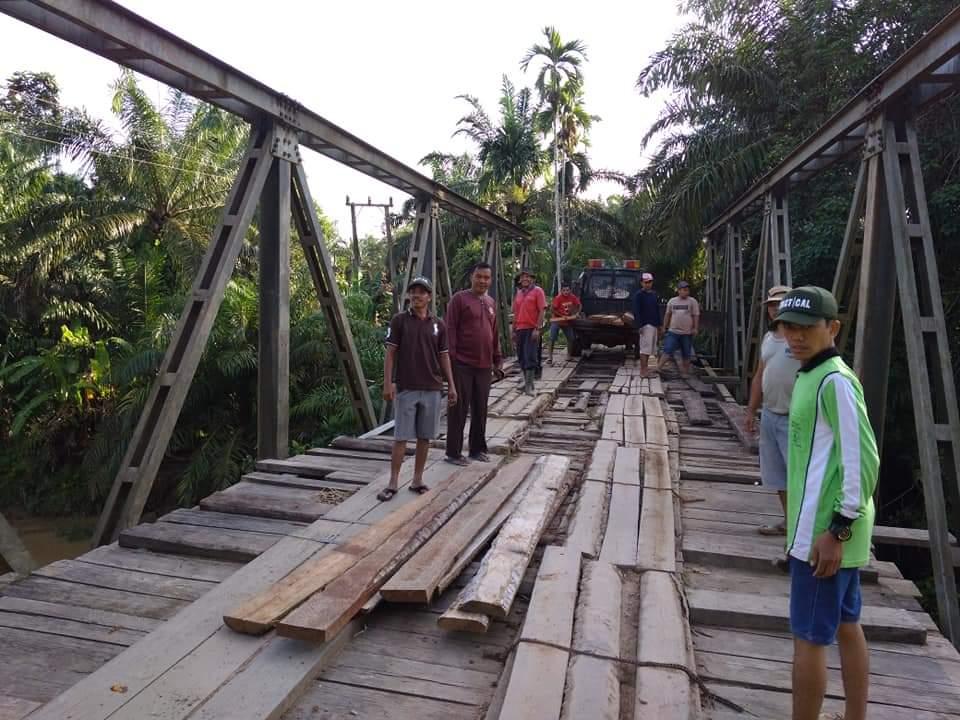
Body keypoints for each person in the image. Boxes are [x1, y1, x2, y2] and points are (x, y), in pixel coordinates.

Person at [775, 286, 878, 720]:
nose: (795, 337)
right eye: (787, 328)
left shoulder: (834, 381)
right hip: (824, 530)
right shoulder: (809, 374)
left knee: (809, 639)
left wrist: (836, 530)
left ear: (832, 327)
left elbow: (863, 462)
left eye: (806, 328)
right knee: (846, 624)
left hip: (824, 535)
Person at [379, 277, 457, 501]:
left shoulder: (438, 324)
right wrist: (388, 383)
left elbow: (444, 356)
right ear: (409, 296)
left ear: (429, 297)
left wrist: (451, 385)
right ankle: (393, 482)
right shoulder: (399, 321)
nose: (417, 296)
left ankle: (417, 479)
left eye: (422, 292)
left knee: (425, 436)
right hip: (407, 387)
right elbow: (391, 353)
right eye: (413, 292)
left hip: (432, 387)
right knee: (401, 436)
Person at [745, 285, 800, 535]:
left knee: (799, 476)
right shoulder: (769, 338)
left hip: (796, 417)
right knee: (778, 475)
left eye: (781, 303)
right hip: (769, 413)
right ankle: (789, 522)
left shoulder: (802, 336)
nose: (775, 308)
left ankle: (803, 529)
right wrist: (750, 411)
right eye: (771, 304)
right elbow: (759, 375)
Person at [445, 262, 503, 465]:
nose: (483, 281)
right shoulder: (459, 299)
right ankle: (453, 452)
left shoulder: (490, 302)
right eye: (479, 276)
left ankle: (477, 449)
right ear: (472, 277)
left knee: (480, 408)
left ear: (490, 280)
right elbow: (450, 330)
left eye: (486, 278)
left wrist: (497, 359)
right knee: (458, 408)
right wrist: (450, 361)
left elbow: (494, 333)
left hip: (484, 365)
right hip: (462, 363)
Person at [512, 268, 547, 395]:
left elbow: (542, 311)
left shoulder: (538, 291)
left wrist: (537, 328)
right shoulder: (519, 293)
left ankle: (529, 386)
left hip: (532, 328)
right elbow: (515, 313)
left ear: (532, 279)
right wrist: (513, 330)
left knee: (530, 356)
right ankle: (527, 383)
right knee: (521, 356)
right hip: (520, 328)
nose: (525, 279)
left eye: (528, 277)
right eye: (523, 277)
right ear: (520, 280)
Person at [660, 280, 700, 377]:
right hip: (673, 331)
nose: (685, 292)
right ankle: (659, 367)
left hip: (687, 332)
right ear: (678, 291)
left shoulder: (692, 301)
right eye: (683, 290)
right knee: (667, 349)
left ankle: (685, 372)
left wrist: (695, 328)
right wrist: (664, 327)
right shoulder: (672, 301)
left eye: (687, 290)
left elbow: (696, 315)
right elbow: (667, 315)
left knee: (686, 352)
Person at [631, 272, 661, 377]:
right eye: (646, 282)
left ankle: (646, 369)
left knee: (650, 349)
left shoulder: (654, 294)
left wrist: (659, 325)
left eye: (650, 282)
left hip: (653, 325)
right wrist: (639, 326)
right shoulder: (638, 295)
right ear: (642, 283)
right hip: (645, 325)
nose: (648, 284)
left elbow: (657, 310)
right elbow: (636, 311)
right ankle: (643, 371)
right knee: (644, 349)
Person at [547, 282, 581, 364]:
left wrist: (577, 313)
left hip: (567, 322)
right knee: (552, 338)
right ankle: (550, 357)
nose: (566, 292)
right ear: (561, 291)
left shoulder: (572, 297)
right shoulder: (558, 298)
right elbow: (552, 309)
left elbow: (579, 305)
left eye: (567, 290)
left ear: (570, 290)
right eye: (564, 290)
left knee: (571, 338)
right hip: (557, 321)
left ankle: (569, 356)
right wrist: (561, 315)